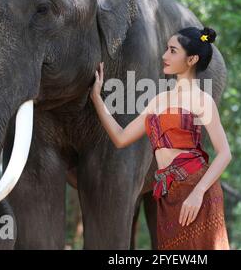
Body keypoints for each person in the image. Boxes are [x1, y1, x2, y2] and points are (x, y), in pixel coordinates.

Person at [90, 26, 231, 250]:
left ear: (191, 59)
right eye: (166, 49)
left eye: (173, 51)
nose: (165, 56)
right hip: (167, 193)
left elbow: (224, 154)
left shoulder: (202, 100)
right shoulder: (159, 100)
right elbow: (120, 137)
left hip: (196, 190)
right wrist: (96, 98)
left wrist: (198, 193)